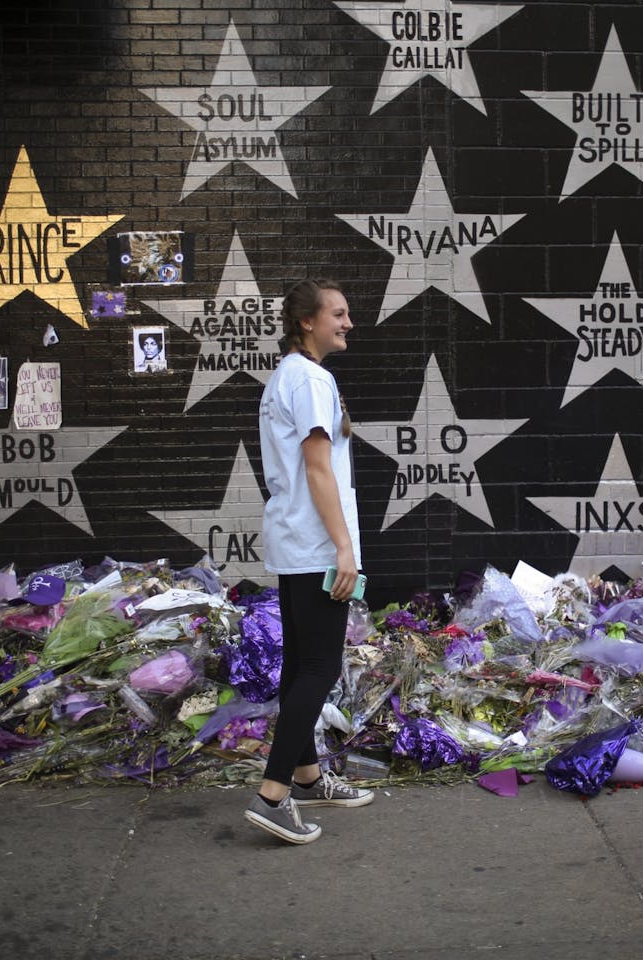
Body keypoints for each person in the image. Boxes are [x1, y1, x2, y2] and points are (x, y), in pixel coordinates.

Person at [245, 277, 373, 844]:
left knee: (300, 668)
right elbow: (319, 468)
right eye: (338, 315)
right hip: (318, 545)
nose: (348, 324)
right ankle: (273, 795)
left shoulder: (284, 378)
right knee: (319, 669)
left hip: (294, 540)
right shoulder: (313, 379)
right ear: (307, 321)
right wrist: (344, 549)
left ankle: (308, 775)